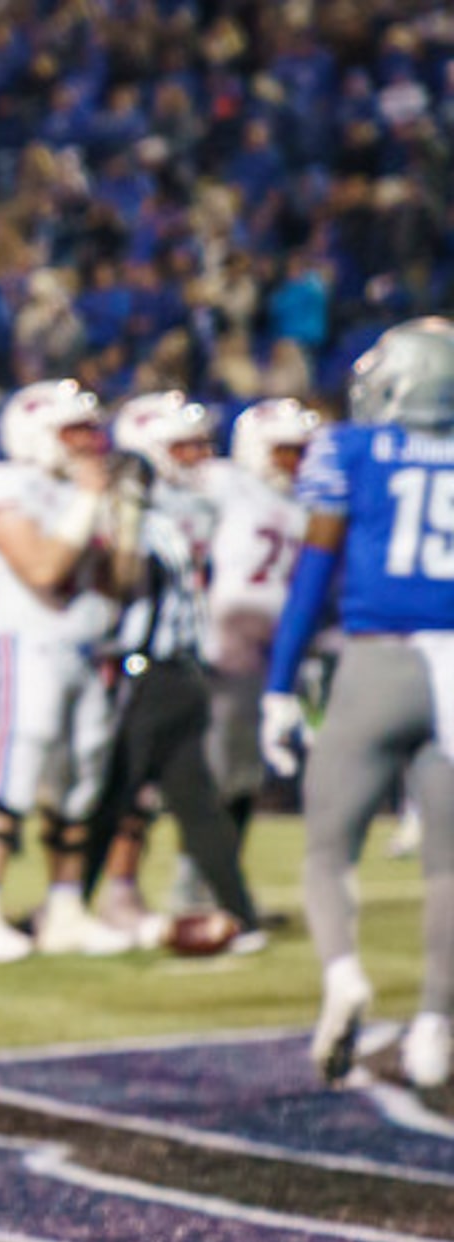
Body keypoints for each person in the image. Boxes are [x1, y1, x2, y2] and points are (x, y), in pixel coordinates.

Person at [260, 316, 454, 1091]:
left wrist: (280, 686)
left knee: (327, 848)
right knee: (448, 866)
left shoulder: (350, 449)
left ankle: (343, 976)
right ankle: (436, 1026)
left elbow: (313, 576)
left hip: (377, 660)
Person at [0, 379, 139, 962]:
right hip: (23, 650)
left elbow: (122, 585)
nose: (87, 444)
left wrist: (122, 520)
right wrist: (88, 502)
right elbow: (43, 569)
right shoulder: (4, 483)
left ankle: (65, 909)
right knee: (12, 783)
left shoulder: (75, 491)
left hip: (83, 653)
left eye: (90, 431)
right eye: (73, 432)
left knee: (77, 790)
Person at [81, 396, 265, 948]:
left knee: (111, 798)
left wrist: (124, 502)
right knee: (195, 803)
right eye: (183, 446)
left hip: (152, 672)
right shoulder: (198, 503)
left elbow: (120, 577)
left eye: (198, 445)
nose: (197, 457)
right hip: (185, 673)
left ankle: (65, 907)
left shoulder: (159, 509)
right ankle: (243, 915)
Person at [199, 398, 321, 841]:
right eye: (285, 450)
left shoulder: (305, 505)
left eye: (301, 451)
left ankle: (221, 885)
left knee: (248, 770)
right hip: (222, 644)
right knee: (216, 765)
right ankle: (196, 886)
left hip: (272, 649)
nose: (295, 462)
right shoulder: (223, 482)